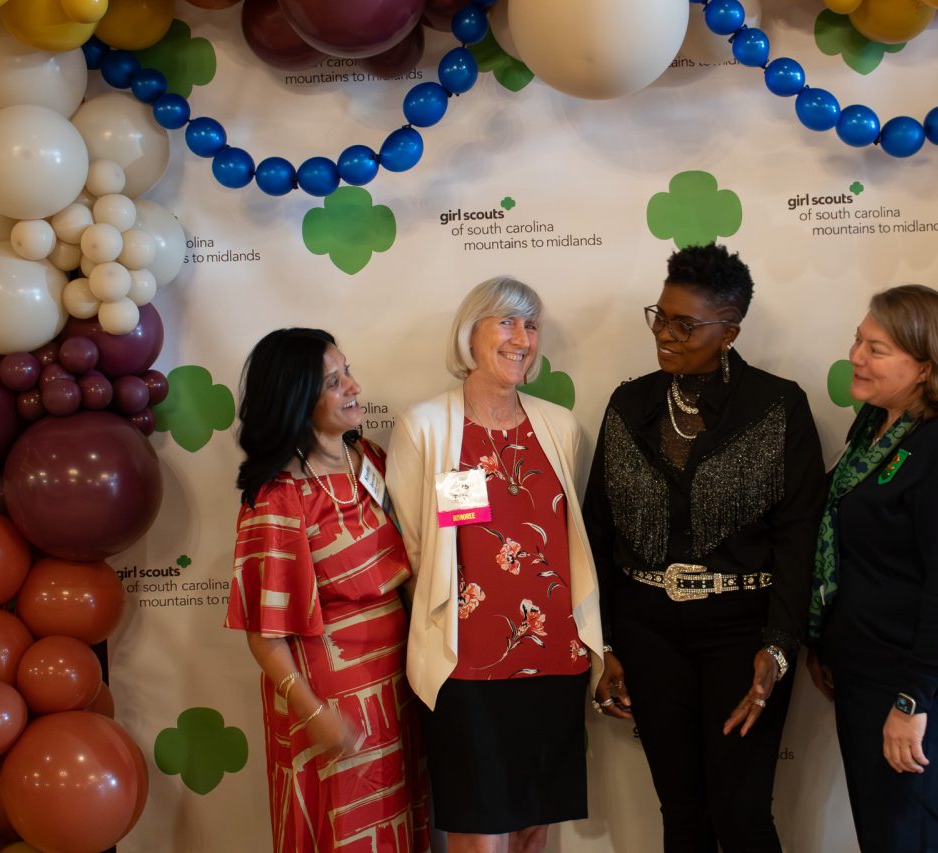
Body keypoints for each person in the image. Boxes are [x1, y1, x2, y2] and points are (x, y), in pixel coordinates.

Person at [583, 244, 825, 853]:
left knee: (741, 813)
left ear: (729, 331)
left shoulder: (777, 405)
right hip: (648, 634)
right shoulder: (628, 405)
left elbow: (799, 537)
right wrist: (603, 644)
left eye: (685, 325)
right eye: (660, 317)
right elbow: (598, 531)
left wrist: (779, 645)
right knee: (682, 815)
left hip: (743, 635)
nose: (665, 334)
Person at [385, 276, 603, 853]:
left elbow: (566, 537)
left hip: (555, 658)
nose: (521, 339)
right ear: (470, 332)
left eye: (531, 325)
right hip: (465, 664)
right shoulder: (423, 426)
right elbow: (411, 549)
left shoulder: (560, 426)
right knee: (479, 838)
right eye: (506, 322)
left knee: (534, 831)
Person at [806, 284, 938, 853]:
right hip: (865, 670)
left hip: (922, 684)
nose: (856, 356)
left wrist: (913, 700)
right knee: (884, 838)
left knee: (915, 840)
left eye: (876, 349)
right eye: (858, 340)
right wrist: (826, 643)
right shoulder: (877, 426)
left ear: (926, 365)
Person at [225, 328, 429, 853]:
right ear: (296, 400)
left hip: (397, 684)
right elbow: (264, 637)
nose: (354, 387)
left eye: (348, 372)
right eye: (334, 382)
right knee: (347, 831)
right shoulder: (278, 497)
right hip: (330, 698)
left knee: (399, 823)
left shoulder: (372, 460)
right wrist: (316, 715)